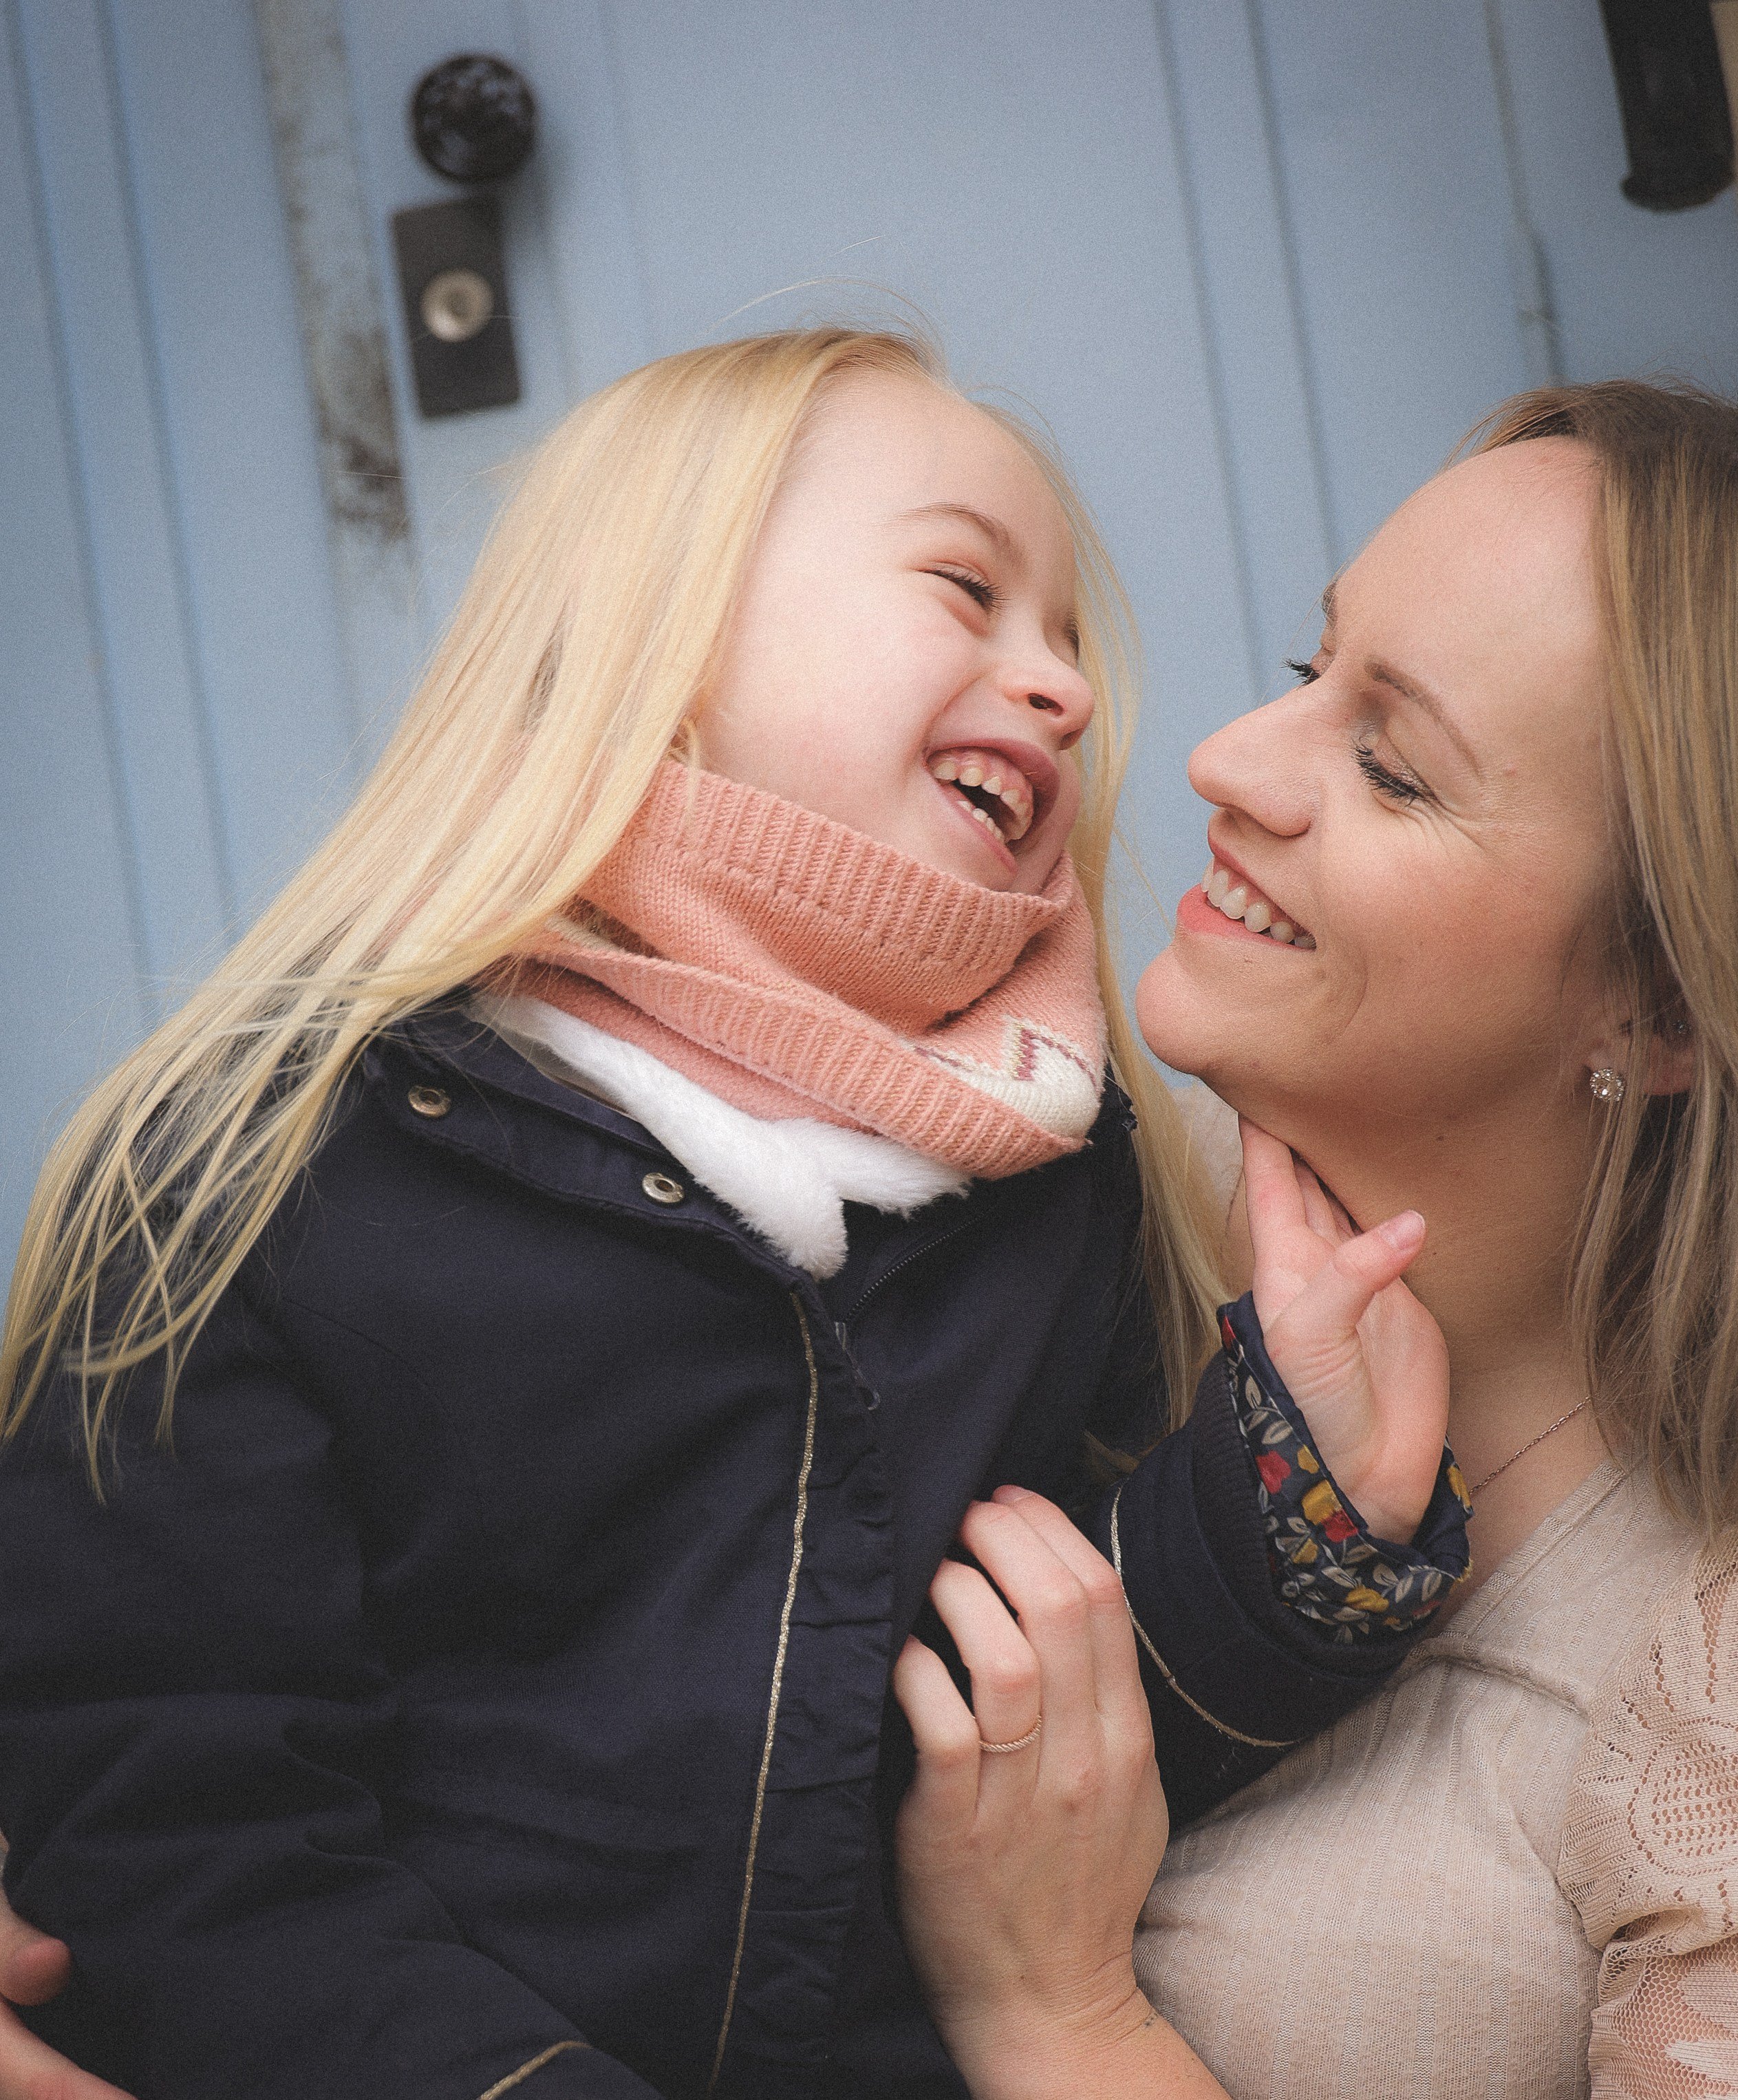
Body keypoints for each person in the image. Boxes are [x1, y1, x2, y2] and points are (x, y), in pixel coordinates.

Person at [0, 329, 1464, 2100]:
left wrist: (1292, 1502)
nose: (1064, 689)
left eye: (1069, 643)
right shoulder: (256, 1170)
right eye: (966, 588)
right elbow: (181, 1830)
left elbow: (1042, 1733)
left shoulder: (1049, 1184)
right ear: (663, 637)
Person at [890, 378, 1738, 2099]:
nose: (1226, 760)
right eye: (1309, 666)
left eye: (1395, 767)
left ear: (1656, 1001)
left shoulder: (1693, 1685)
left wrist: (1060, 2014)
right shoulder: (998, 1221)